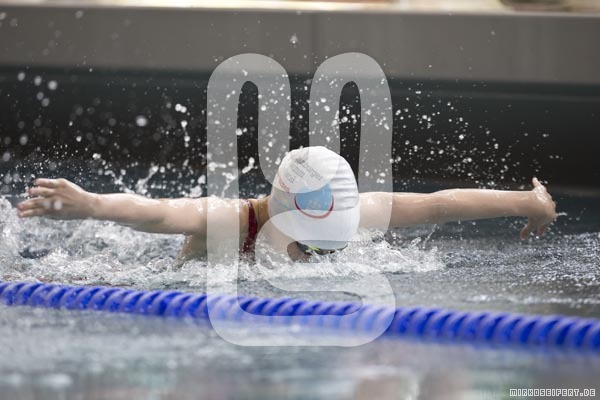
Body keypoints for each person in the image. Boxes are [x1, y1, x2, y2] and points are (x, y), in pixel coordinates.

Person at [16, 146, 557, 262]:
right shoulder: (229, 222)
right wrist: (91, 204)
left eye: (329, 248)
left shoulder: (354, 211)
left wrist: (527, 202)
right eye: (312, 246)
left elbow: (439, 205)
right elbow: (156, 212)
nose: (317, 257)